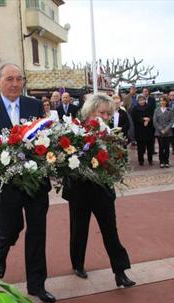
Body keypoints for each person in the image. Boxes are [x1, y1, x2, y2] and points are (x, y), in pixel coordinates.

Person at [0, 63, 56, 303]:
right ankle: (2, 250)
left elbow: (47, 139)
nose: (15, 83)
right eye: (9, 79)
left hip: (35, 185)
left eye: (19, 79)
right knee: (10, 230)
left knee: (37, 233)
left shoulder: (34, 106)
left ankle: (37, 284)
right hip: (5, 186)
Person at [62, 93, 135, 288]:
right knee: (79, 229)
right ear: (91, 111)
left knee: (110, 230)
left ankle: (120, 271)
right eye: (102, 113)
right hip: (80, 189)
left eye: (109, 114)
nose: (106, 117)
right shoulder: (75, 130)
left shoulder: (110, 133)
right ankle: (77, 264)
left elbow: (117, 160)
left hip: (102, 189)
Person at [131, 95, 155, 165]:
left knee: (150, 146)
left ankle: (150, 160)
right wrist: (143, 120)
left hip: (149, 129)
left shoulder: (149, 107)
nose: (142, 101)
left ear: (145, 100)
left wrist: (148, 119)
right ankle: (141, 160)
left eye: (143, 100)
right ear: (138, 101)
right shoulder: (135, 108)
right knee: (140, 147)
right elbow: (134, 118)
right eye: (140, 100)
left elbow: (153, 115)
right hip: (139, 130)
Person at [153, 95, 174, 168]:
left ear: (166, 101)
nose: (162, 102)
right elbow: (155, 121)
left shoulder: (170, 110)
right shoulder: (156, 110)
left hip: (168, 132)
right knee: (161, 147)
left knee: (167, 147)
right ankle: (161, 161)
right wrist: (161, 129)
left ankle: (167, 161)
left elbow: (172, 120)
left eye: (164, 100)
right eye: (161, 101)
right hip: (159, 132)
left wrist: (166, 129)